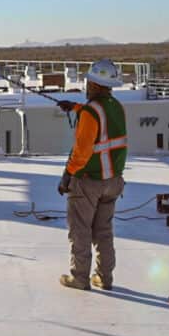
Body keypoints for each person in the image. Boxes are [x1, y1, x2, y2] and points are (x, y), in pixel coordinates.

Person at [56, 59, 129, 290]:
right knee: (104, 232)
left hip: (90, 182)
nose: (87, 86)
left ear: (95, 84)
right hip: (113, 182)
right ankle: (104, 278)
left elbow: (82, 151)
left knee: (80, 231)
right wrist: (76, 108)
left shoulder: (90, 112)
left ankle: (79, 278)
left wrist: (67, 174)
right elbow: (101, 120)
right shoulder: (116, 106)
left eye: (89, 82)